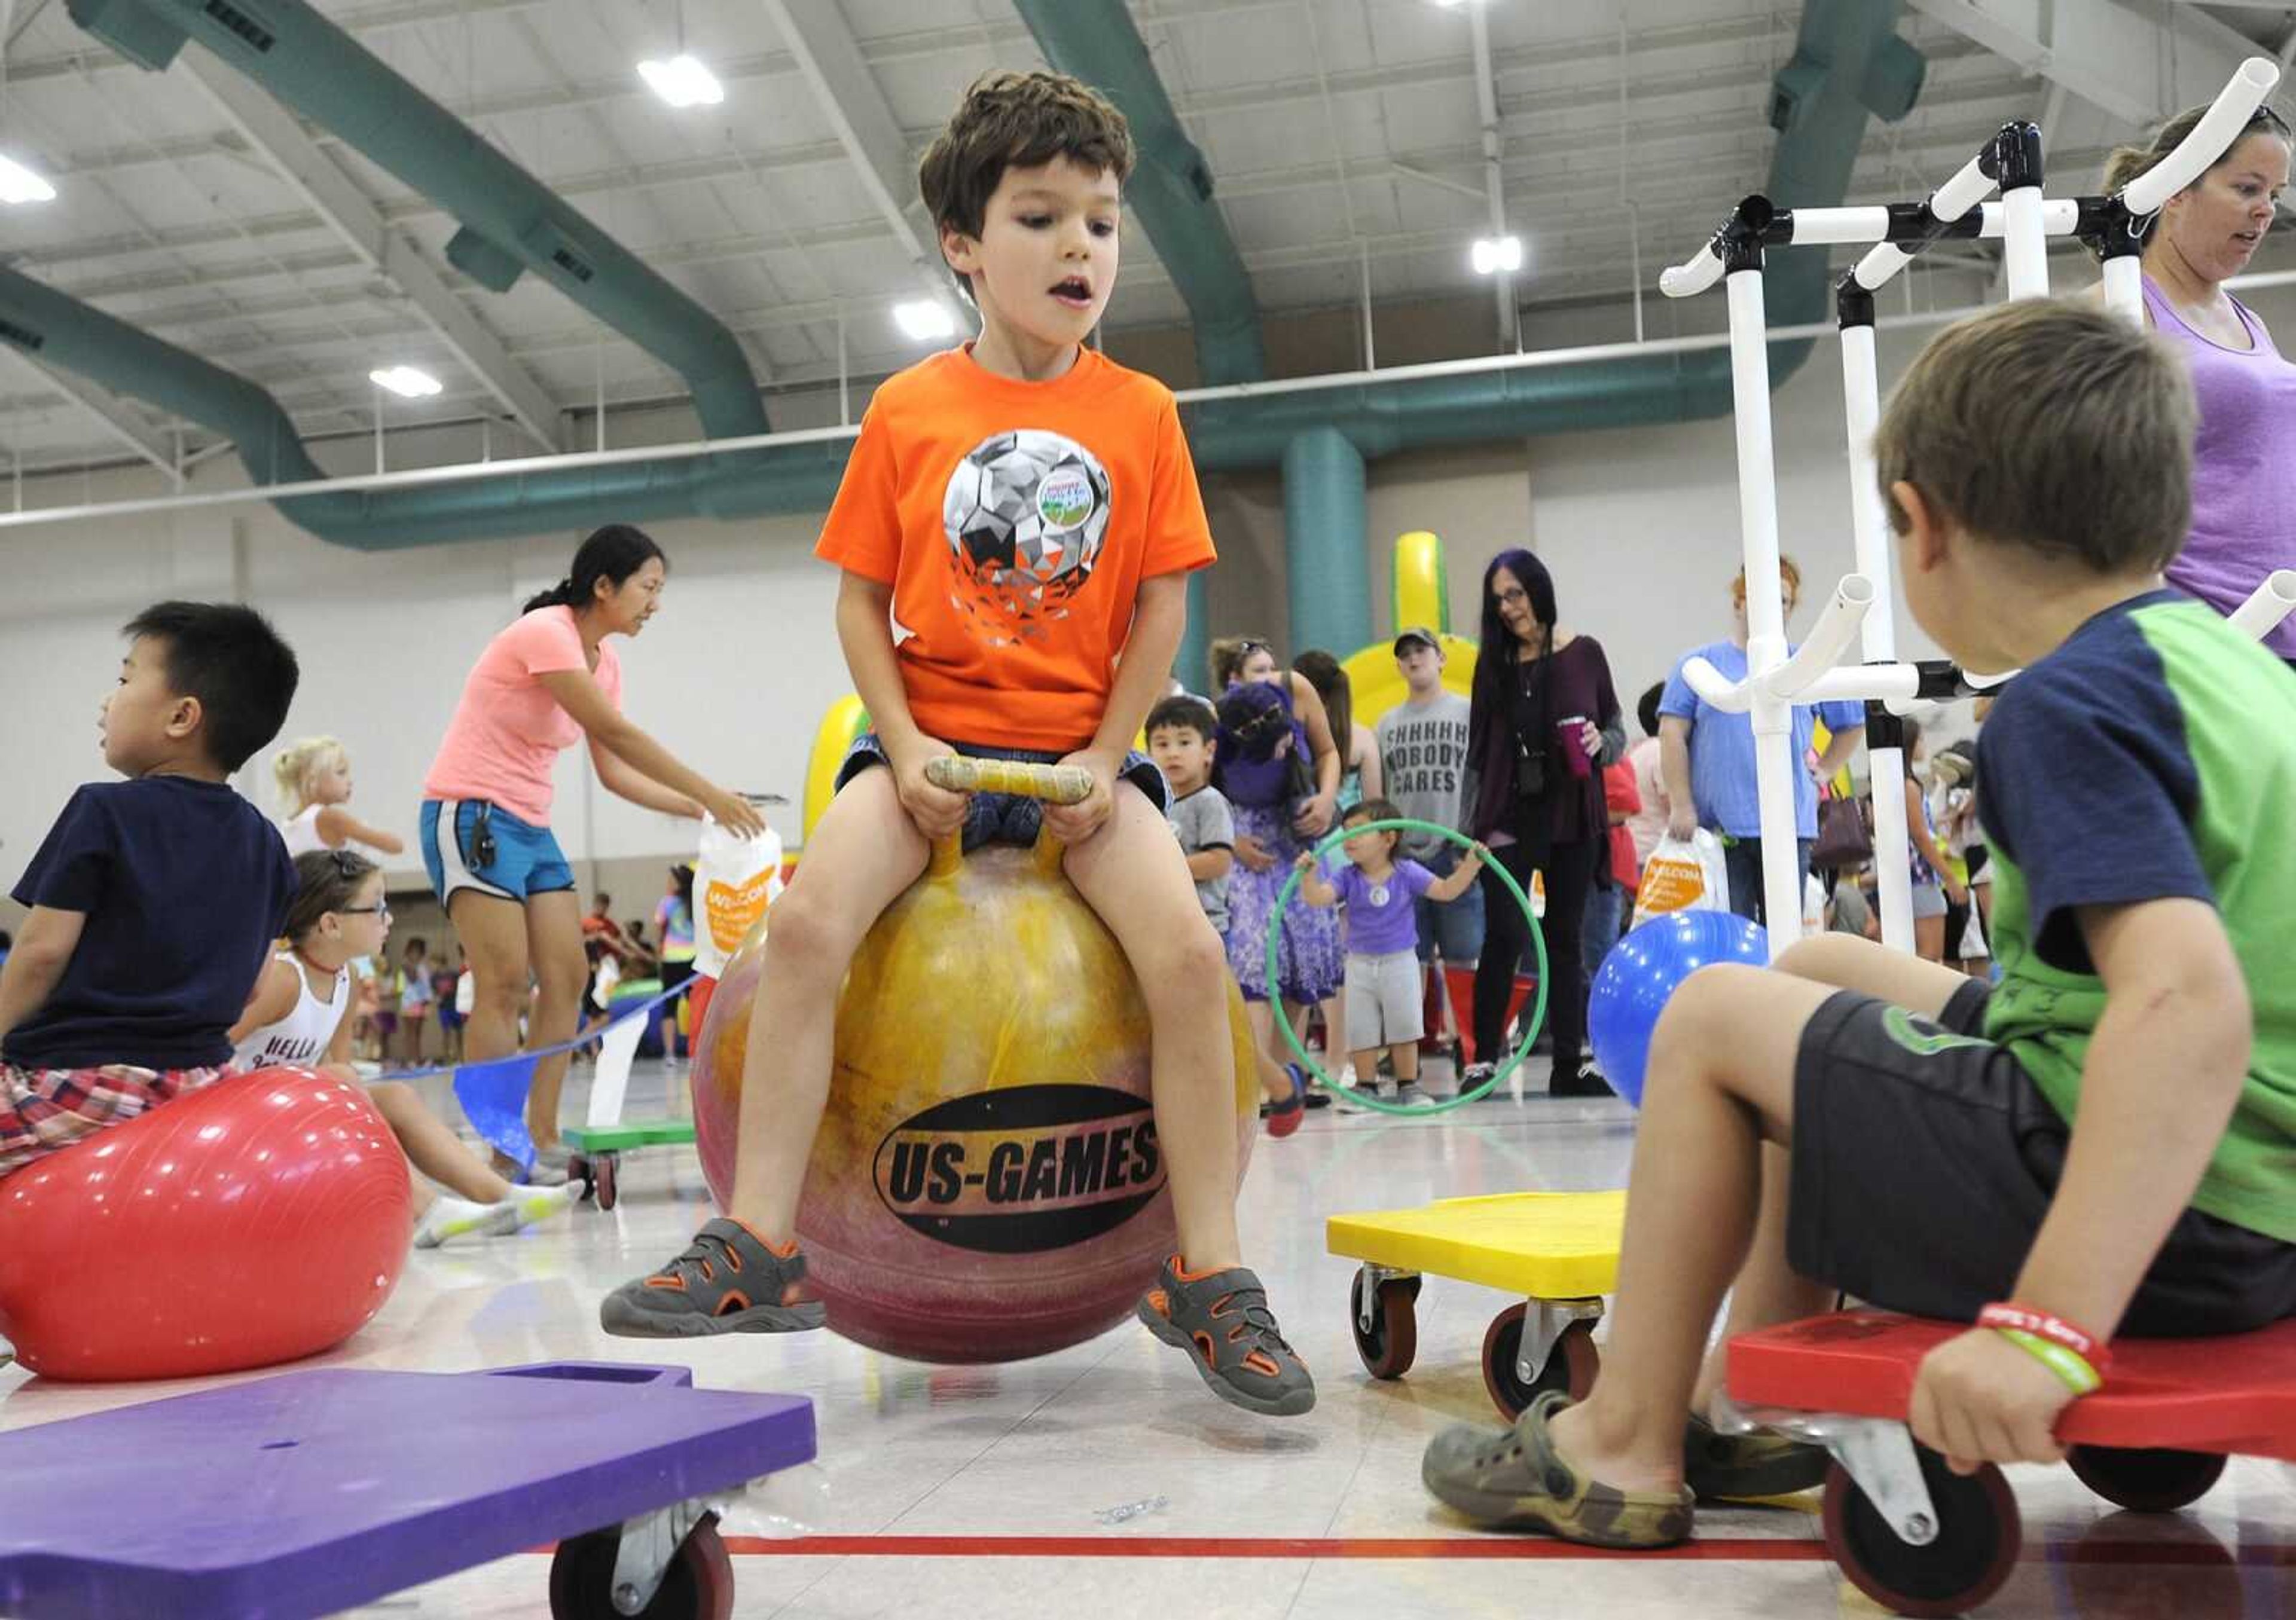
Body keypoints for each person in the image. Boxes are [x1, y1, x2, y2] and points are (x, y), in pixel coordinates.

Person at [1421, 299, 2296, 1548]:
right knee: (1820, 965)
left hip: (2166, 1222)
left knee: (1717, 1010)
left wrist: (2051, 1324)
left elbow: (2186, 1006)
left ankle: (1620, 1443)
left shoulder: (2064, 708)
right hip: (2262, 1205)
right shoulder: (2237, 670)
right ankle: (1756, 1387)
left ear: (1921, 525)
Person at [600, 69, 1314, 1416]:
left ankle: (1207, 1274)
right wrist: (902, 740)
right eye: (1042, 218)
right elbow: (862, 599)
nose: (1080, 249)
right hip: (930, 748)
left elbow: (1164, 600)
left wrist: (1110, 761)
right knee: (808, 930)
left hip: (1081, 764)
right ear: (966, 247)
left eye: (1101, 223)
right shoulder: (911, 410)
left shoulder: (1143, 413)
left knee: (1181, 955)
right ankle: (758, 1241)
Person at [420, 524, 764, 1184]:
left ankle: (541, 1134)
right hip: (471, 814)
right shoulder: (546, 632)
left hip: (531, 825)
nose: (655, 604)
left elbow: (613, 771)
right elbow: (612, 731)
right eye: (648, 588)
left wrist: (699, 807)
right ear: (603, 586)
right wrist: (708, 791)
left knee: (569, 978)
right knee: (501, 985)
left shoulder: (605, 663)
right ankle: (497, 1154)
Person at [0, 603, 298, 1178]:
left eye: (124, 678)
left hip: (80, 1085)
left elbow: (40, 954)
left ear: (183, 717)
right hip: (203, 1090)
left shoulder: (103, 810)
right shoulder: (268, 844)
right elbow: (254, 987)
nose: (105, 702)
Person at [228, 849, 581, 1248]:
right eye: (376, 907)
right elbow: (215, 1048)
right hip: (240, 1121)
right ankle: (425, 1209)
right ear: (330, 924)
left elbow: (334, 1064)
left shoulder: (348, 980)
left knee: (393, 1095)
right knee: (343, 1078)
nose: (388, 918)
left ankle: (502, 1197)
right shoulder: (283, 979)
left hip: (290, 1115)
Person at [2101, 102, 2296, 670]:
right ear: (2175, 191)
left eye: (2276, 194)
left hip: (2280, 635)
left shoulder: (2246, 319)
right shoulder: (2121, 308)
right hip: (2209, 642)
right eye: (2247, 188)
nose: (2266, 212)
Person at [1460, 552, 1627, 1098]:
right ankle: (1483, 1059)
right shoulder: (1493, 666)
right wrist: (1470, 834)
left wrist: (1602, 745)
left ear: (1538, 590)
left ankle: (1569, 1062)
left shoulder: (1585, 655)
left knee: (1565, 938)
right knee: (1504, 934)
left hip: (1572, 814)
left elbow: (1616, 730)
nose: (1508, 608)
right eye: (1498, 599)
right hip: (1506, 814)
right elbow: (1478, 756)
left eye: (1515, 594)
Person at [1659, 558, 1867, 927]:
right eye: (1760, 597)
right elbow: (1672, 733)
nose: (1773, 608)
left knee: (1784, 932)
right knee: (1731, 932)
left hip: (1790, 825)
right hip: (1721, 826)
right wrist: (1681, 804)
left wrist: (1827, 770)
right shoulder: (1700, 663)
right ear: (1740, 602)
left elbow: (1851, 722)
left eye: (1783, 601)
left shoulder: (1807, 663)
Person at [1147, 694, 1308, 1137]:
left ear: (1209, 751)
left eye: (1184, 741)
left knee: (1223, 1024)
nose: (1173, 752)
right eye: (1161, 743)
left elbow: (1218, 861)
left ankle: (1279, 1085)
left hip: (1208, 930)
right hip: (1162, 930)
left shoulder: (1209, 802)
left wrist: (1154, 867)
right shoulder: (1155, 802)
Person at [1210, 635, 1345, 1076]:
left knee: (1302, 958)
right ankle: (1255, 1077)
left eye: (1272, 668)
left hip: (1300, 833)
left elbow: (1327, 752)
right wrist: (1229, 841)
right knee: (1255, 958)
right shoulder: (1219, 718)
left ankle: (1289, 1075)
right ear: (1234, 682)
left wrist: (1327, 799)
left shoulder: (1296, 689)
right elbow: (1198, 790)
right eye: (1257, 672)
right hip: (1248, 841)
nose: (1270, 679)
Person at [1294, 800, 1485, 1104]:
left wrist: (1472, 865)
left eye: (1358, 831)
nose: (1348, 839)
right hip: (1358, 964)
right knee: (1361, 1028)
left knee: (1405, 1025)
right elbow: (1318, 899)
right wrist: (1308, 876)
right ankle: (1366, 1086)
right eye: (1345, 832)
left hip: (1400, 962)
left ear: (1388, 838)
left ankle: (1409, 1084)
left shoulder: (1406, 872)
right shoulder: (1346, 876)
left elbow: (1446, 891)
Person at [1375, 627, 1482, 1061]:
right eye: (1406, 654)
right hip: (1403, 858)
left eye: (1422, 651)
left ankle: (1470, 1046)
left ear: (1441, 659)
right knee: (1406, 956)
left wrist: (1472, 838)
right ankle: (1410, 1047)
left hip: (1455, 847)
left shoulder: (1468, 713)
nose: (1414, 659)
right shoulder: (1386, 724)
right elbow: (1380, 790)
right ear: (1398, 666)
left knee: (1464, 952)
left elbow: (1482, 778)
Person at [1897, 719, 1967, 964]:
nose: (1923, 745)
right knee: (1930, 955)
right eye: (1921, 739)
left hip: (1912, 878)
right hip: (1922, 877)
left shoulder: (1897, 782)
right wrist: (1950, 877)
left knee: (1922, 954)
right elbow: (1920, 835)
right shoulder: (1908, 786)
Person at [272, 735, 405, 858]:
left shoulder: (291, 823)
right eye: (341, 773)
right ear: (313, 779)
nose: (349, 781)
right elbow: (395, 846)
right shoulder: (328, 817)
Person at [1583, 755, 1642, 977]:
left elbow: (1629, 803)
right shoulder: (1616, 758)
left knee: (1598, 953)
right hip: (1605, 861)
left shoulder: (1606, 759)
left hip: (1604, 861)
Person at [1621, 684, 1672, 882]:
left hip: (1635, 852)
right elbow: (1673, 805)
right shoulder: (1662, 751)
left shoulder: (1636, 750)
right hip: (1656, 856)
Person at [655, 866, 699, 1060]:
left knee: (669, 1007)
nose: (668, 884)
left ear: (678, 883)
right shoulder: (696, 901)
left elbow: (659, 926)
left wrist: (659, 947)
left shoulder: (667, 903)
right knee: (695, 1005)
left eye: (671, 880)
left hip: (672, 958)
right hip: (693, 958)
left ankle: (670, 1054)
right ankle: (695, 1051)